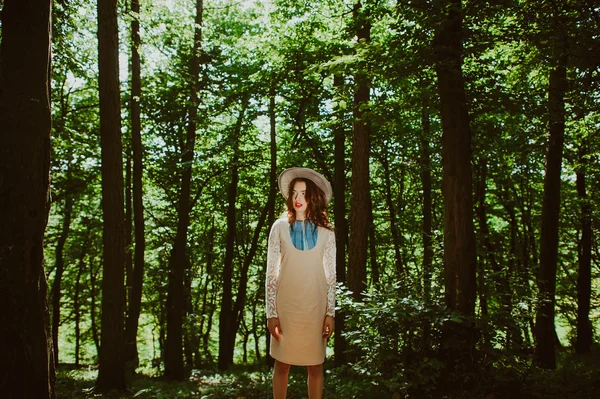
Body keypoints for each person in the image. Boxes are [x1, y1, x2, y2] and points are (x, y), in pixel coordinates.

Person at [266, 167, 336, 399]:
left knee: (315, 366)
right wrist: (271, 313)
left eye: (304, 193)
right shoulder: (279, 228)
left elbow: (330, 276)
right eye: (295, 193)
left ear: (313, 197)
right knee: (282, 365)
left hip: (315, 308)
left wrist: (330, 313)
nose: (298, 199)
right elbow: (271, 274)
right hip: (286, 308)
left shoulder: (327, 232)